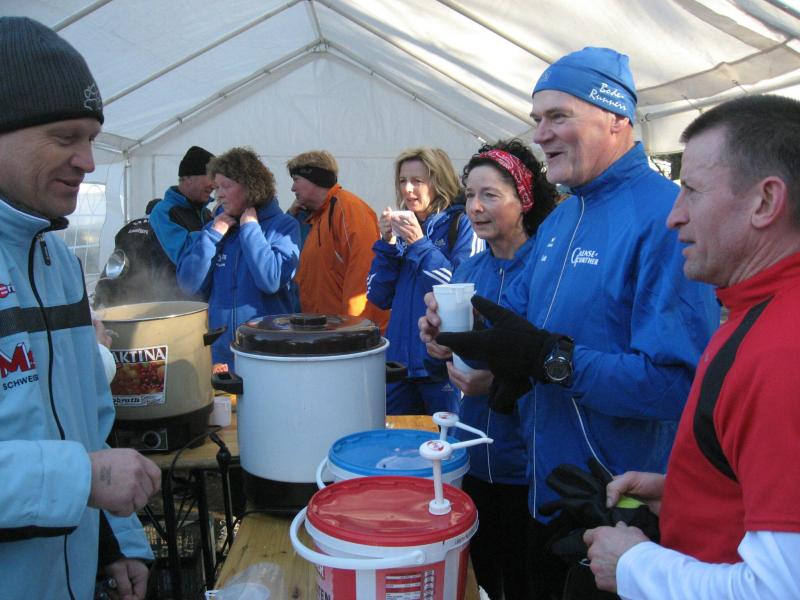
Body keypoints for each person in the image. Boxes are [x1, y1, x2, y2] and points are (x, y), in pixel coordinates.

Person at [421, 46, 719, 597]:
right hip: (547, 497)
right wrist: (462, 342)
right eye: (537, 119)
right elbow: (528, 339)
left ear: (617, 118)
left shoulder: (664, 216)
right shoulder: (561, 220)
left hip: (620, 510)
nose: (541, 135)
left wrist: (552, 362)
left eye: (559, 116)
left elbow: (678, 385)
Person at [581, 94, 800, 599]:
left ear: (765, 202)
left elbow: (779, 589)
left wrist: (633, 565)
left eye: (693, 191)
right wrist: (687, 490)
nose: (673, 216)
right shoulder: (760, 311)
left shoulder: (780, 352)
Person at [0, 17, 161, 600]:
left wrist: (116, 540)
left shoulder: (59, 264)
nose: (88, 161)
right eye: (66, 137)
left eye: (92, 138)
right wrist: (83, 479)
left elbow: (88, 427)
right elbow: (85, 469)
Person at [438, 139, 556, 599]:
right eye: (470, 194)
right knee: (481, 579)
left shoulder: (548, 270)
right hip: (472, 453)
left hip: (528, 464)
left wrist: (501, 382)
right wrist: (438, 343)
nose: (474, 207)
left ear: (523, 199)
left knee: (525, 582)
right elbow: (455, 351)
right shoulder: (469, 270)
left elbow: (561, 359)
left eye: (489, 195)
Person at [367, 147, 482, 415]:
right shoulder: (404, 227)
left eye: (417, 181)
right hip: (399, 365)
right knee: (396, 439)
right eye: (402, 181)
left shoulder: (462, 223)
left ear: (438, 181)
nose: (407, 189)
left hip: (442, 365)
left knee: (447, 439)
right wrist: (387, 244)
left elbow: (460, 289)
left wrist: (419, 244)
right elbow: (377, 295)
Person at [177, 147, 300, 373]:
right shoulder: (214, 229)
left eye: (226, 186)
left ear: (251, 187)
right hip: (221, 357)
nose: (219, 195)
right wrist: (212, 236)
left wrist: (250, 228)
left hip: (267, 354)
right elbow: (188, 285)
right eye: (217, 187)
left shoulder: (283, 226)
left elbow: (271, 280)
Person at [287, 150, 389, 331]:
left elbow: (362, 274)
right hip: (326, 330)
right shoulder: (319, 217)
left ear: (315, 179)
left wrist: (355, 329)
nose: (292, 188)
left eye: (296, 180)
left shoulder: (347, 210)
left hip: (347, 332)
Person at [149, 145, 216, 265]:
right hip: (169, 278)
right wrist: (217, 229)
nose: (214, 185)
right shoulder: (164, 211)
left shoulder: (206, 213)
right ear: (188, 177)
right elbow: (186, 256)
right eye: (211, 177)